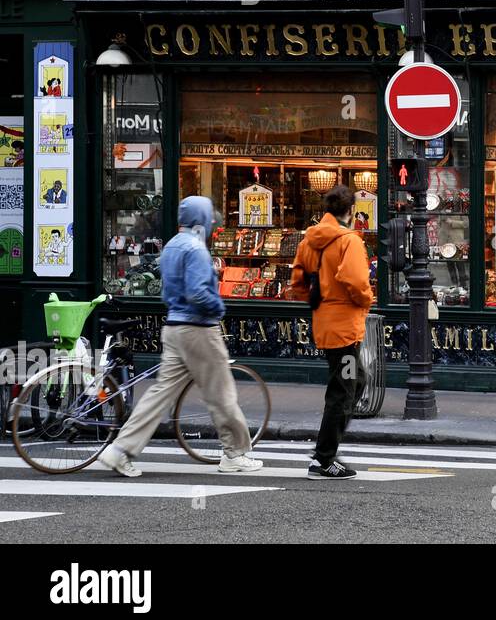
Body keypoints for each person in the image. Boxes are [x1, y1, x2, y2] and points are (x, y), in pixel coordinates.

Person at [99, 196, 264, 477]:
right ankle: (234, 453)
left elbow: (167, 289)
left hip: (173, 327)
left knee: (159, 394)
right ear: (201, 219)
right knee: (221, 392)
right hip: (198, 329)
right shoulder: (196, 249)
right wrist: (218, 307)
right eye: (208, 217)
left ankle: (120, 449)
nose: (212, 222)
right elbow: (199, 293)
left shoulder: (173, 245)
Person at [288, 186, 375, 479]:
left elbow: (297, 283)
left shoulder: (310, 240)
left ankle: (326, 452)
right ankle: (324, 458)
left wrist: (320, 297)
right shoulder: (349, 241)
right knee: (344, 389)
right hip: (344, 329)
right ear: (350, 212)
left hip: (324, 322)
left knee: (354, 380)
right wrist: (366, 300)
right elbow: (355, 280)